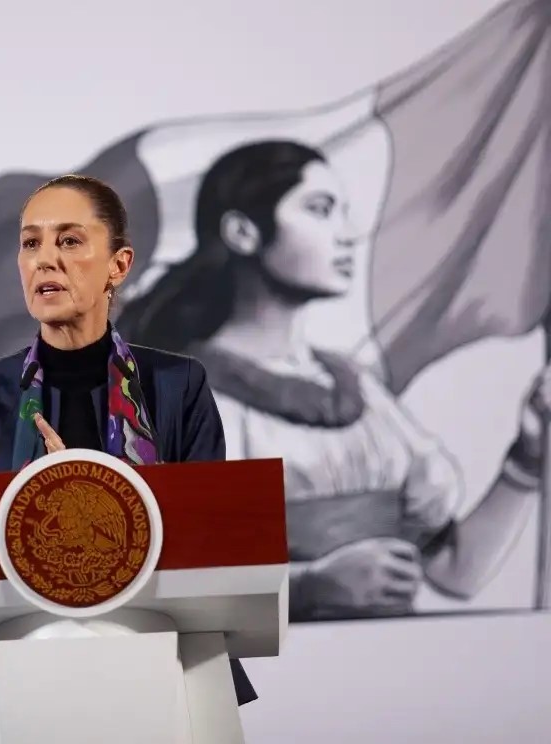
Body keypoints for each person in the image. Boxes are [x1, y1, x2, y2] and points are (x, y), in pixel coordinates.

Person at [0, 174, 257, 705]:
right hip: (16, 676)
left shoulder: (177, 386)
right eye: (30, 243)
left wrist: (87, 496)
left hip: (159, 669)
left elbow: (209, 547)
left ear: (119, 265)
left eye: (69, 240)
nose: (44, 259)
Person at [115, 139, 551, 621]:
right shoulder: (189, 395)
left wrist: (527, 458)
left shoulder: (360, 392)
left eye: (344, 212)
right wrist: (310, 586)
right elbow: (165, 596)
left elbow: (456, 571)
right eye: (320, 210)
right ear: (243, 232)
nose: (347, 235)